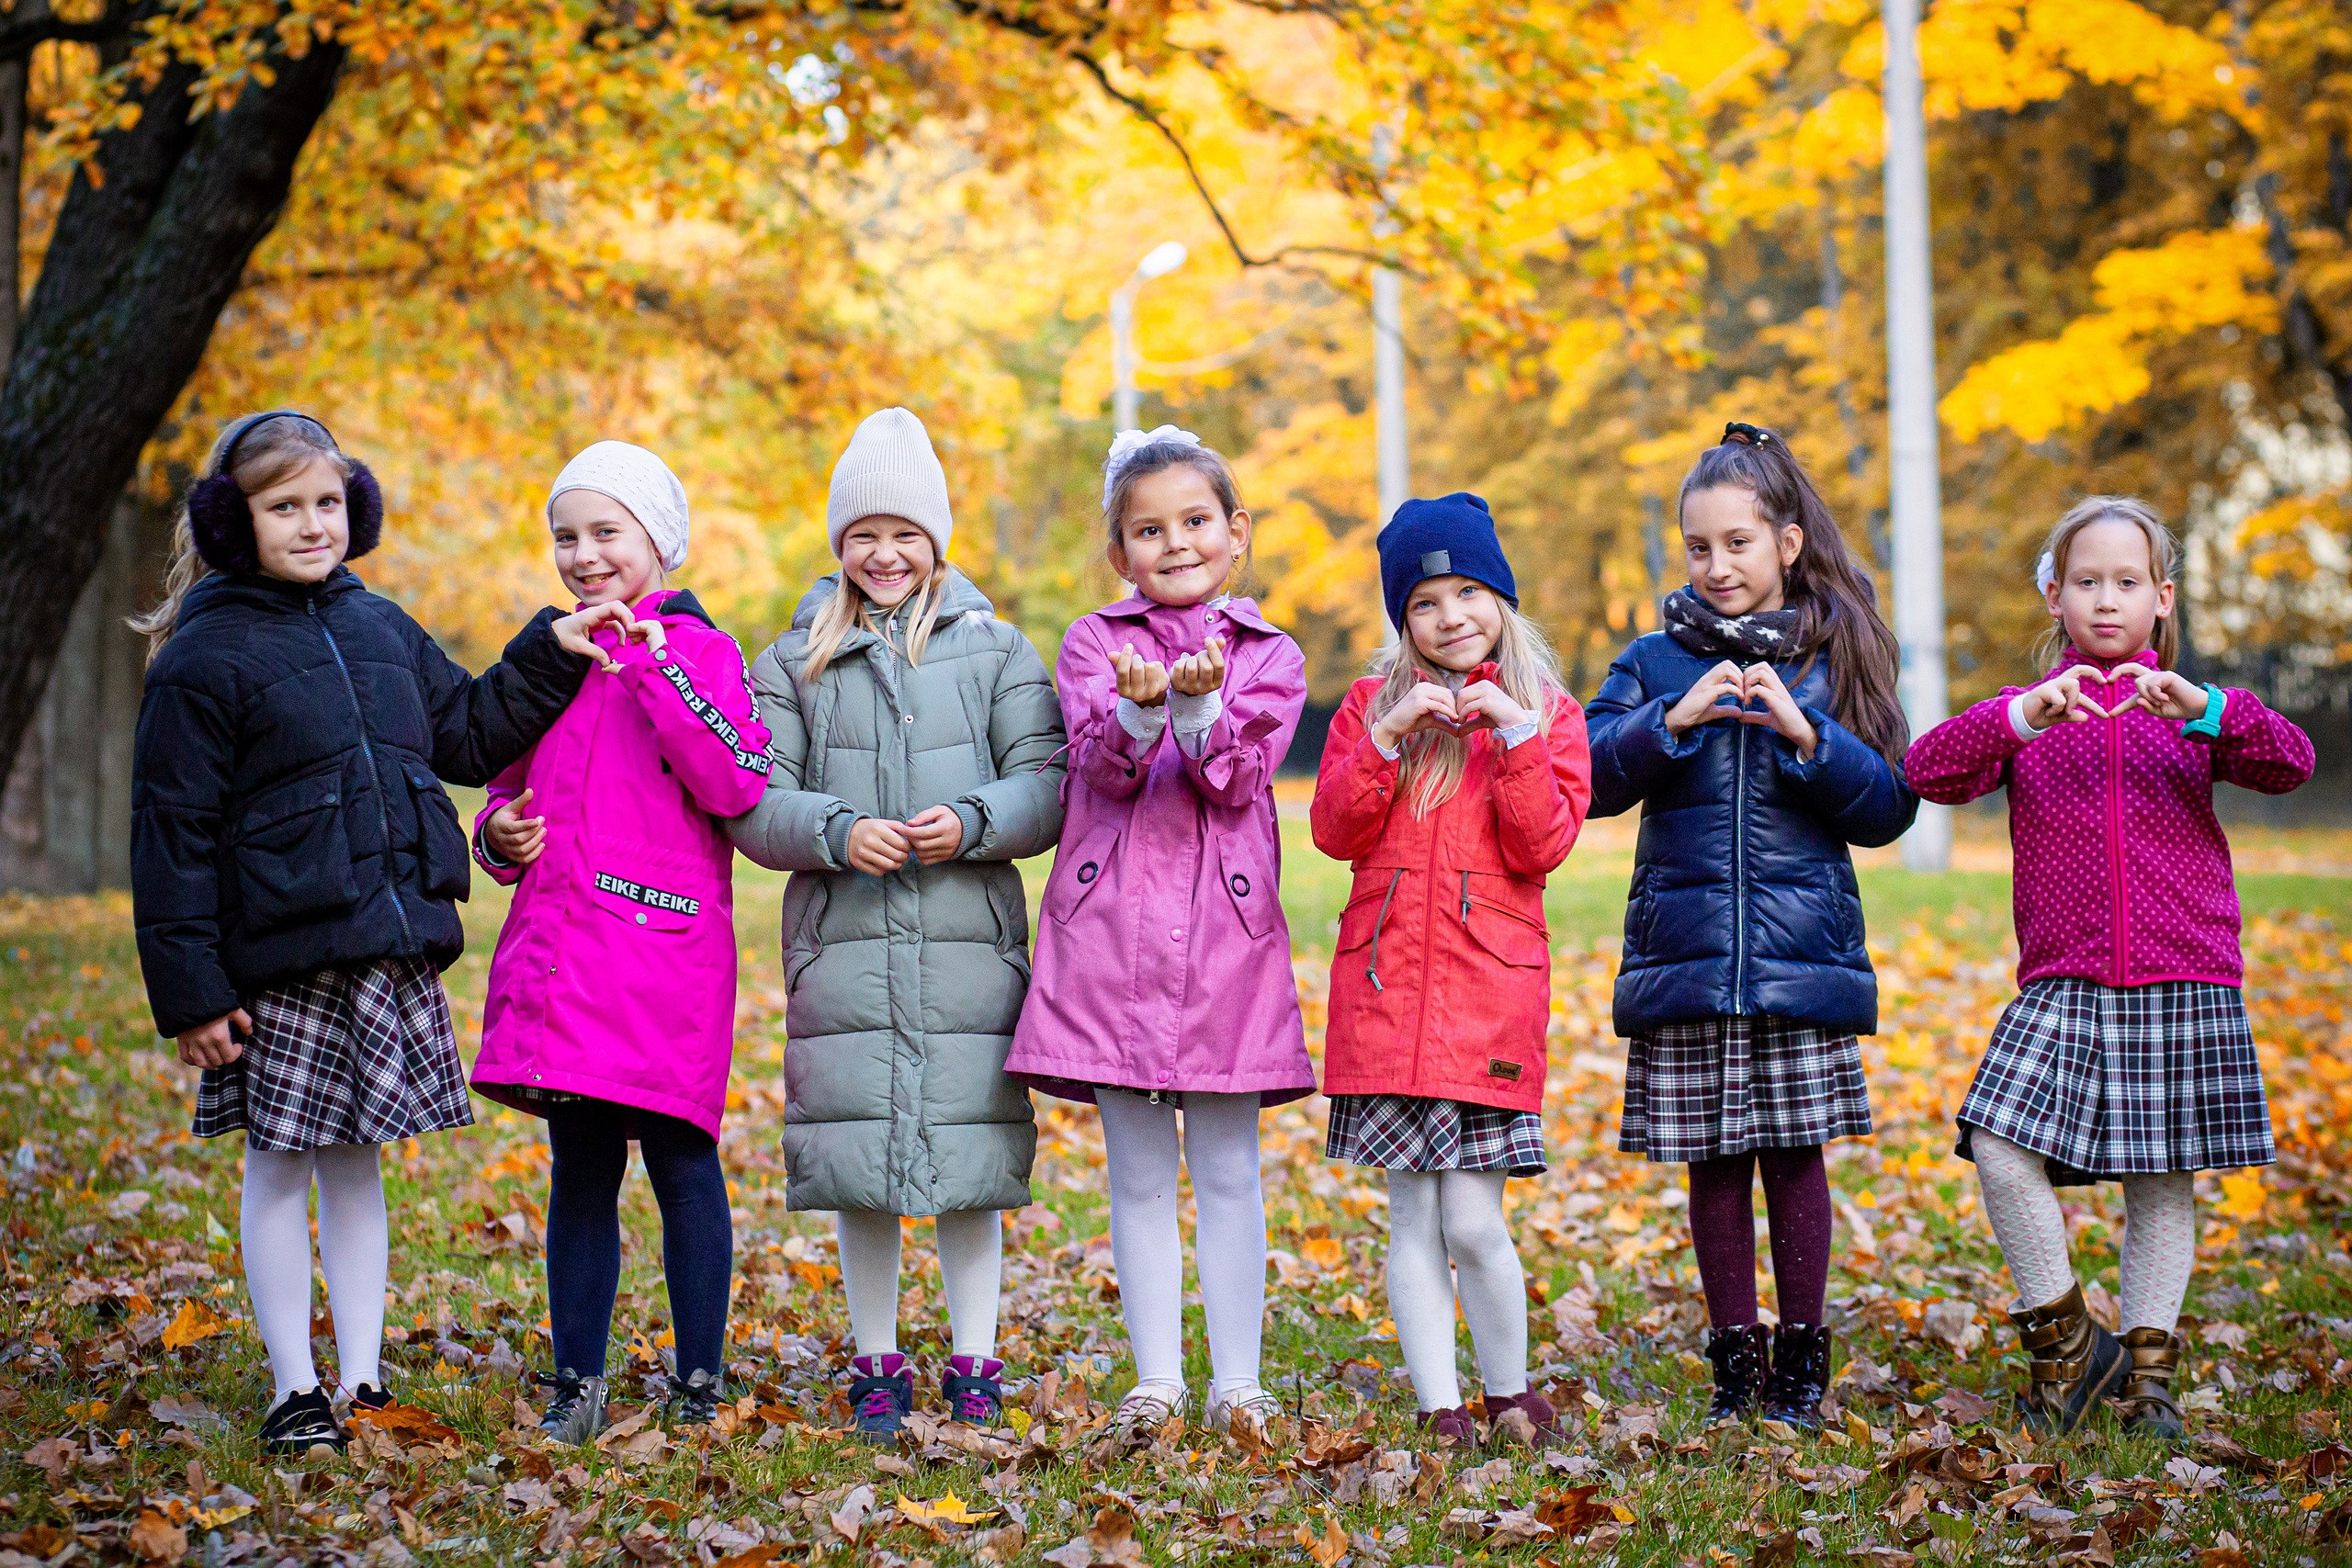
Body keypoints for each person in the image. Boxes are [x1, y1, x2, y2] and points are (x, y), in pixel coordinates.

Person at [129, 411, 622, 1455]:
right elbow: (171, 835)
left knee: (357, 1164)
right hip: (276, 960)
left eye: (327, 502)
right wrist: (192, 991)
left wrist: (550, 653)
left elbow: (469, 732)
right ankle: (292, 1390)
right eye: (284, 507)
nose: (313, 524)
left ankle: (361, 1381)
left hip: (379, 946)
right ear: (231, 521)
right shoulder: (203, 658)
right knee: (280, 1164)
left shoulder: (380, 626)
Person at [1906, 495, 2312, 1438]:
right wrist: (2019, 717)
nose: (2105, 599)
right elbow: (1927, 772)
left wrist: (2208, 709)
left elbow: (2290, 762)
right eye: (2085, 581)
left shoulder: (2193, 714)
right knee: (1998, 1143)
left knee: (2161, 1177)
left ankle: (2148, 1379)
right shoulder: (2032, 715)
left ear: (2161, 598)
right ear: (2054, 596)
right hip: (2065, 975)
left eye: (2127, 582)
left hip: (2185, 967)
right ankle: (2069, 1346)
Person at [728, 408, 1065, 1441]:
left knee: (970, 1162)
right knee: (859, 1162)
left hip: (969, 948)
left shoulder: (998, 651)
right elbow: (754, 797)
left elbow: (1048, 781)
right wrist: (833, 830)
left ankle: (975, 1358)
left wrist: (973, 820)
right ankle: (876, 1360)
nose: (885, 554)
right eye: (864, 534)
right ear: (839, 541)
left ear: (936, 539)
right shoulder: (793, 661)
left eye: (906, 533)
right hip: (847, 952)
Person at [1585, 423, 1917, 1428]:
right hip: (1687, 955)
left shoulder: (1835, 656)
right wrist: (1669, 722)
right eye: (1698, 547)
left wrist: (1809, 736)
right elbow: (1585, 777)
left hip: (1797, 956)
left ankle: (1802, 1368)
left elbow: (1890, 806)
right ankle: (1735, 1367)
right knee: (1716, 1162)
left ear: (1785, 542)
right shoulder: (1652, 660)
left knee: (1795, 1154)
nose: (1717, 565)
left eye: (1737, 542)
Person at [1007, 426, 1315, 1445]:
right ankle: (1156, 1380)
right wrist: (1142, 718)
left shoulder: (1271, 655)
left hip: (1227, 941)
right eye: (1149, 529)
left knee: (1228, 1168)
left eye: (1195, 521)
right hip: (1111, 940)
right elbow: (1099, 771)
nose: (1175, 542)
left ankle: (1239, 1381)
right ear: (1120, 551)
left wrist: (1198, 707)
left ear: (1236, 532)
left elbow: (1235, 779)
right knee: (1136, 1173)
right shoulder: (1094, 642)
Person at [469, 441, 772, 1441]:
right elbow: (507, 781)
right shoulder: (555, 654)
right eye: (567, 536)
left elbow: (733, 777)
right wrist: (498, 834)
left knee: (682, 1159)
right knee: (581, 1165)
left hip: (663, 956)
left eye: (607, 532)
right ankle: (578, 1380)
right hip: (568, 957)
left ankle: (699, 1378)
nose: (585, 554)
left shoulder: (700, 651)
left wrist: (646, 659)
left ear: (660, 542)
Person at [1311, 491, 1589, 1445]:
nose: (1450, 616)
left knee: (1471, 1220)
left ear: (1500, 598)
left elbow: (1542, 846)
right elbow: (1335, 830)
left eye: (1469, 592)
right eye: (1424, 603)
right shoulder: (1369, 707)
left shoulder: (1549, 716)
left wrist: (1515, 736)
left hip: (1486, 1000)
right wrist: (1385, 739)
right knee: (1412, 1216)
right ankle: (1440, 1404)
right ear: (1404, 620)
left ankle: (1509, 1393)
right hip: (1386, 994)